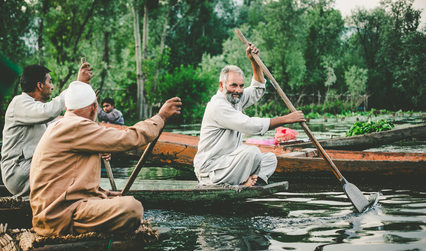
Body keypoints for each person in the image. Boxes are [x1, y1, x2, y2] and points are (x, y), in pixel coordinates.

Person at [29, 81, 182, 237]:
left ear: (67, 108)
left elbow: (71, 179)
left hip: (52, 214)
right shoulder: (76, 126)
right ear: (94, 108)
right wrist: (161, 117)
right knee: (132, 208)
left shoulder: (60, 125)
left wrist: (102, 193)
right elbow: (127, 138)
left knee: (117, 200)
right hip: (59, 217)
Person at [193, 43, 306, 187]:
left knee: (270, 159)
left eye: (241, 85)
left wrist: (254, 62)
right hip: (211, 169)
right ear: (221, 86)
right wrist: (286, 119)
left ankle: (251, 183)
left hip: (230, 163)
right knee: (253, 151)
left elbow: (257, 89)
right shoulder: (218, 106)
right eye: (233, 85)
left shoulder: (235, 99)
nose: (239, 90)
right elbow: (249, 126)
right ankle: (241, 183)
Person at [1, 63, 93, 199]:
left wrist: (95, 144)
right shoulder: (19, 103)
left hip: (32, 167)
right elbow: (50, 111)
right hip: (17, 171)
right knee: (69, 160)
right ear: (39, 86)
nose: (52, 86)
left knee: (76, 153)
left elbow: (63, 128)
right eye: (49, 82)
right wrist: (78, 84)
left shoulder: (38, 109)